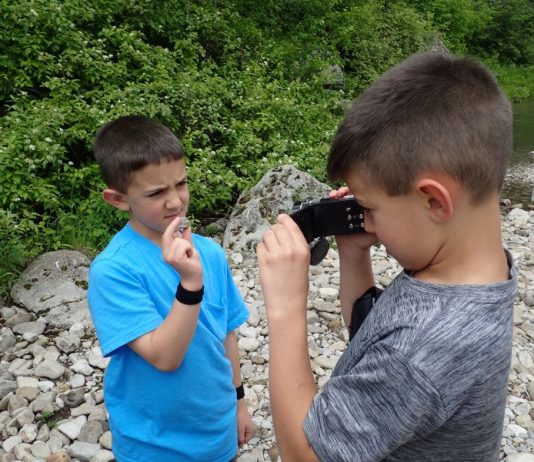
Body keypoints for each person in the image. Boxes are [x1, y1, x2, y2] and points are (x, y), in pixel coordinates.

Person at [257, 52, 517, 461]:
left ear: (433, 200)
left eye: (371, 208)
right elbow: (376, 338)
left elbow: (303, 454)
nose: (369, 224)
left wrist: (287, 308)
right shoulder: (473, 272)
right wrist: (354, 255)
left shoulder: (423, 346)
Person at [87, 115, 253, 462]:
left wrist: (239, 402)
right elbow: (165, 357)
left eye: (181, 184)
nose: (176, 201)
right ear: (118, 199)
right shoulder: (114, 270)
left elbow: (226, 334)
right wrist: (190, 284)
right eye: (156, 192)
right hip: (152, 445)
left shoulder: (209, 252)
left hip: (217, 434)